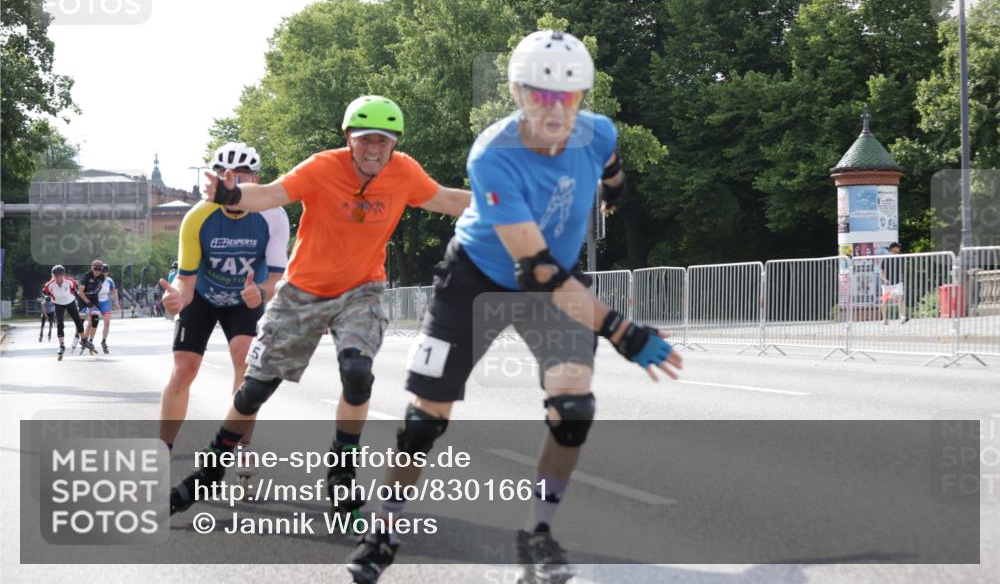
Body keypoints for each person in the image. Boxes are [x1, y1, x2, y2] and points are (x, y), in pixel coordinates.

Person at [346, 31, 683, 584]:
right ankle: (384, 526)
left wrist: (613, 188)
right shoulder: (492, 155)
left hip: (555, 281)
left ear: (583, 97)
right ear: (515, 93)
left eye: (568, 97)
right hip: (478, 278)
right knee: (424, 420)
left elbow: (611, 163)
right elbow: (540, 272)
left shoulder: (598, 131)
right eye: (540, 96)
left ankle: (537, 534)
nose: (555, 111)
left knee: (573, 409)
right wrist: (622, 330)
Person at [168, 95, 470, 517]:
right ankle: (212, 467)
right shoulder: (322, 167)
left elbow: (448, 200)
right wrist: (230, 195)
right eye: (365, 139)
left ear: (395, 144)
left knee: (358, 373)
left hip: (362, 289)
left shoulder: (404, 171)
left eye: (383, 141)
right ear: (349, 139)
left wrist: (510, 205)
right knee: (255, 388)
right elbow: (269, 194)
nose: (374, 149)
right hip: (303, 291)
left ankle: (342, 473)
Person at [157, 142, 289, 456]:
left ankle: (239, 446)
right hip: (203, 295)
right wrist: (177, 297)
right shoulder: (197, 216)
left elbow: (277, 279)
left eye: (242, 175)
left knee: (246, 362)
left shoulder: (273, 216)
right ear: (214, 179)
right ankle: (163, 447)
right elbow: (186, 279)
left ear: (256, 180)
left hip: (246, 298)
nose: (233, 181)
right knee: (184, 369)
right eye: (225, 174)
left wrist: (261, 292)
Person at [41, 265, 86, 359]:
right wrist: (48, 297)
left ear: (63, 275)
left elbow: (75, 289)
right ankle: (61, 345)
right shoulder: (49, 284)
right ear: (53, 275)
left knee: (78, 321)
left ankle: (83, 340)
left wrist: (77, 298)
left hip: (70, 302)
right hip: (58, 304)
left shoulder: (70, 281)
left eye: (59, 275)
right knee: (60, 323)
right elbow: (45, 292)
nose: (57, 277)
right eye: (55, 276)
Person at [78, 259, 105, 353]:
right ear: (92, 268)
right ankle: (79, 337)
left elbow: (99, 287)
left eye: (99, 269)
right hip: (83, 297)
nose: (97, 271)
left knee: (95, 320)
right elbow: (80, 292)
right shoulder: (86, 276)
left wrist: (93, 298)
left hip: (93, 297)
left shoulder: (102, 277)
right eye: (95, 269)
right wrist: (88, 303)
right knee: (82, 318)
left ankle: (89, 341)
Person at [92, 263, 119, 353]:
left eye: (106, 272)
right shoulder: (94, 279)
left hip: (104, 302)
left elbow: (114, 291)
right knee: (93, 323)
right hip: (95, 302)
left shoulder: (109, 280)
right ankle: (90, 341)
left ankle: (103, 341)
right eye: (103, 272)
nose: (104, 274)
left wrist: (116, 302)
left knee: (107, 323)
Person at [880, 242, 908, 325]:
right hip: (887, 284)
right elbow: (881, 272)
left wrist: (902, 277)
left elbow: (900, 270)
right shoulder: (885, 258)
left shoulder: (899, 257)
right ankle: (884, 319)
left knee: (900, 298)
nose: (899, 248)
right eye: (897, 247)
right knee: (885, 300)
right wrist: (884, 279)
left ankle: (902, 317)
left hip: (897, 282)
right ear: (892, 248)